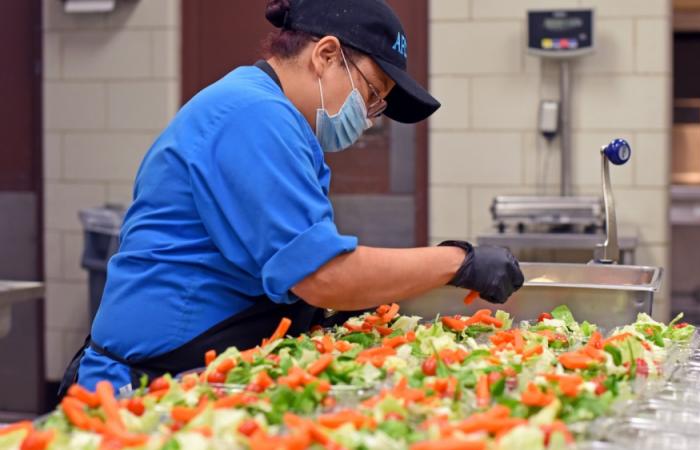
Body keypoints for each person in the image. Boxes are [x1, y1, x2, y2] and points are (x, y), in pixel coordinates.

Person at [59, 0, 524, 395]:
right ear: (325, 55)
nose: (370, 117)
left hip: (195, 375)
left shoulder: (275, 118)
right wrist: (457, 262)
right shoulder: (254, 115)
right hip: (137, 393)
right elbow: (321, 275)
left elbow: (288, 265)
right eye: (371, 94)